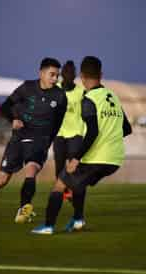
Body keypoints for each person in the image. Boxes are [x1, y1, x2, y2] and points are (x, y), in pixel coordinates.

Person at [31, 56, 132, 235]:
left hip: (97, 157)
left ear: (83, 77)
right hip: (115, 160)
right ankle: (78, 220)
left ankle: (48, 226)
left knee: (59, 184)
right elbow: (126, 128)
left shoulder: (89, 99)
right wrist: (109, 139)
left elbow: (92, 132)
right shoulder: (114, 97)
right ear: (101, 75)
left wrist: (76, 158)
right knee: (78, 184)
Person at [0, 57, 67, 223]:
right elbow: (4, 107)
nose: (55, 79)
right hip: (19, 139)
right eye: (52, 74)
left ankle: (24, 208)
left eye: (57, 75)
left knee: (31, 170)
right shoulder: (27, 88)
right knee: (2, 180)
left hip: (40, 140)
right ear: (41, 73)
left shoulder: (60, 96)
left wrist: (49, 141)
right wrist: (13, 119)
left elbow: (58, 122)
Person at [54, 60, 85, 201]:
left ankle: (72, 190)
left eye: (71, 72)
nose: (68, 75)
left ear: (74, 75)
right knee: (59, 165)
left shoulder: (81, 92)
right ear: (62, 74)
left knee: (73, 166)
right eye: (66, 72)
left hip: (75, 134)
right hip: (59, 134)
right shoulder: (55, 90)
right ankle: (62, 191)